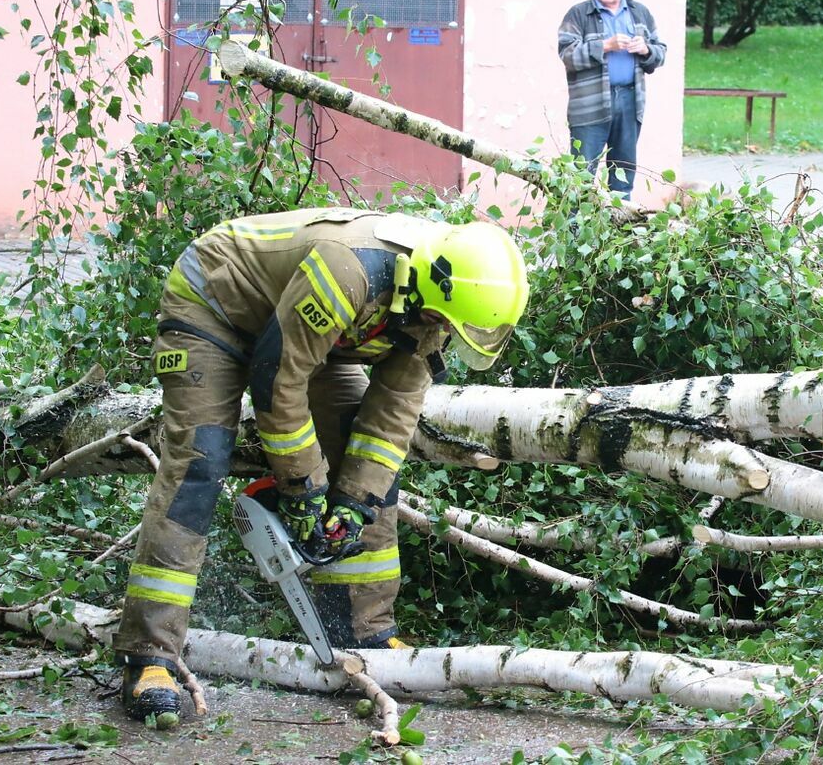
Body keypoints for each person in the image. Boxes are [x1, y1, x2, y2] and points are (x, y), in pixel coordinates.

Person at [114, 207, 529, 721]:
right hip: (217, 307)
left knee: (370, 474)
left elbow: (390, 418)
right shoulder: (347, 270)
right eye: (441, 323)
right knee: (200, 461)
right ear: (426, 289)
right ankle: (148, 655)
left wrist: (353, 504)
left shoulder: (442, 304)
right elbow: (277, 378)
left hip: (320, 339)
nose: (443, 332)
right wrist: (302, 490)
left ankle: (362, 633)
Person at [557, 0, 667, 199]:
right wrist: (605, 45)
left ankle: (617, 232)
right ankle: (575, 233)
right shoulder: (578, 14)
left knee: (623, 171)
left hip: (630, 99)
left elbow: (661, 53)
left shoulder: (640, 13)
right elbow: (567, 54)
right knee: (580, 173)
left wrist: (646, 49)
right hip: (589, 104)